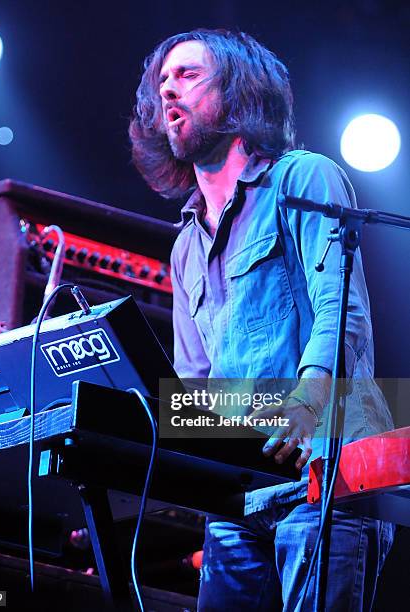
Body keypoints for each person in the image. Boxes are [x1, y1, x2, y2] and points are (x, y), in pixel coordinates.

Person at [129, 28, 394, 611]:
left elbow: (340, 309)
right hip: (237, 495)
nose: (169, 90)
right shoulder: (185, 246)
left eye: (189, 75)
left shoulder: (303, 178)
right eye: (162, 81)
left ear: (240, 90)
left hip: (326, 472)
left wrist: (307, 401)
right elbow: (194, 381)